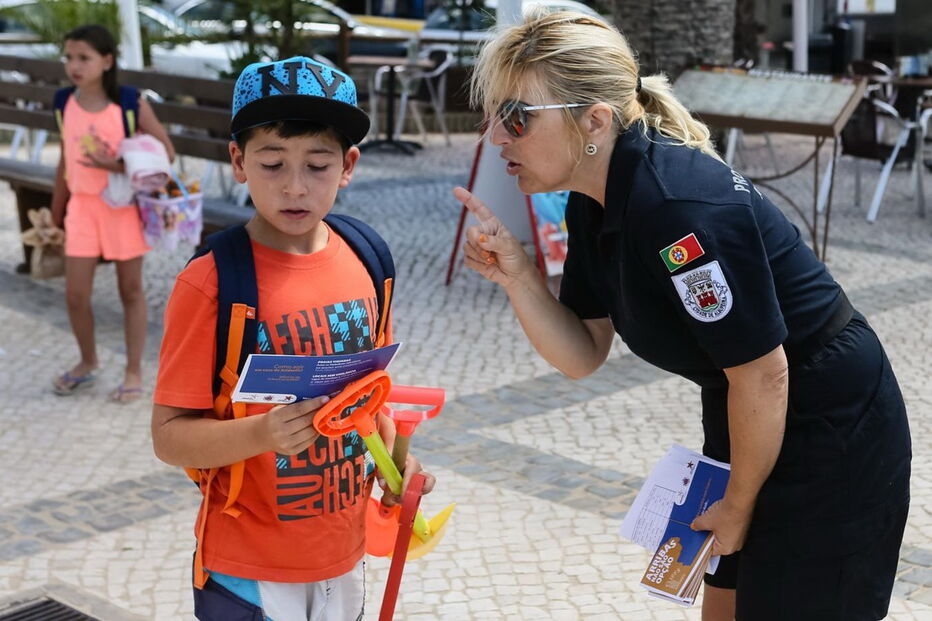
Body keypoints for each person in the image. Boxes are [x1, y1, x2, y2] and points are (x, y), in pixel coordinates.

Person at [457, 11, 911, 621]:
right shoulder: (594, 201)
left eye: (515, 117)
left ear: (593, 121)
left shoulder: (676, 210)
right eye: (491, 116)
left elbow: (765, 372)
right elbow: (583, 353)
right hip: (748, 415)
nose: (495, 136)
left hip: (827, 421)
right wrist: (518, 277)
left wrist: (740, 501)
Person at [151, 56, 435, 621]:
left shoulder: (367, 259)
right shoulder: (211, 282)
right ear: (238, 161)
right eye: (273, 163)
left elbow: (367, 395)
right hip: (248, 569)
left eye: (318, 164)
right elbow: (169, 437)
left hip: (344, 555)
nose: (295, 186)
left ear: (349, 165)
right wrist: (263, 431)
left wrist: (394, 468)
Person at [50, 24, 175, 403]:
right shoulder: (63, 102)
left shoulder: (129, 103)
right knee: (74, 294)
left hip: (122, 206)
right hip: (82, 208)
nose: (75, 65)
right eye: (69, 57)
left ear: (107, 61)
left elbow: (165, 154)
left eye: (84, 58)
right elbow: (64, 159)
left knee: (130, 290)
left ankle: (134, 369)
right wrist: (56, 209)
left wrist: (116, 164)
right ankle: (88, 362)